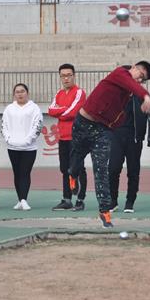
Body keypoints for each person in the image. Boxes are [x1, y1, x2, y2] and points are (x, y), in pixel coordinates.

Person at [69, 61, 150, 228]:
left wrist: (112, 126)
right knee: (76, 158)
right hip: (83, 123)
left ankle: (105, 211)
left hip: (101, 130)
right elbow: (132, 84)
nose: (139, 80)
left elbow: (119, 113)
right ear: (134, 67)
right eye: (140, 75)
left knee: (101, 170)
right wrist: (145, 95)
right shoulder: (120, 73)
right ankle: (73, 174)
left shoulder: (128, 93)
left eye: (142, 80)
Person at [49, 64, 88, 212]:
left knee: (77, 168)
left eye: (69, 75)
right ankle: (67, 200)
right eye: (63, 75)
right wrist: (63, 110)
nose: (66, 78)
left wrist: (61, 111)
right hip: (63, 136)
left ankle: (80, 200)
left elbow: (73, 113)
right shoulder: (58, 94)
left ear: (74, 75)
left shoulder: (79, 92)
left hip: (77, 137)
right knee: (64, 169)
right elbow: (50, 110)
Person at [108, 93, 150, 213]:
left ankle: (130, 202)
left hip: (134, 138)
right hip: (116, 136)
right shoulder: (115, 95)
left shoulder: (142, 96)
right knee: (113, 169)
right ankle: (113, 201)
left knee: (133, 171)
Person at [2, 83, 43, 210]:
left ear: (27, 93)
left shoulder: (34, 108)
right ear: (14, 94)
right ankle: (20, 199)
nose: (20, 94)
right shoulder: (9, 108)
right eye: (17, 92)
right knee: (17, 173)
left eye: (22, 91)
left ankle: (24, 199)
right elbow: (4, 125)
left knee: (25, 172)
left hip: (29, 148)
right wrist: (8, 139)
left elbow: (38, 125)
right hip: (13, 147)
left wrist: (28, 140)